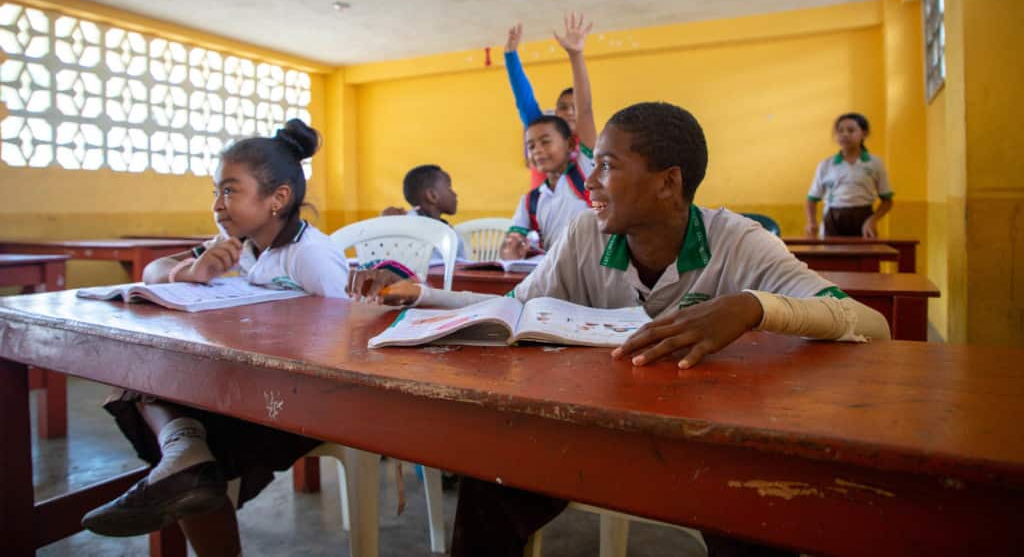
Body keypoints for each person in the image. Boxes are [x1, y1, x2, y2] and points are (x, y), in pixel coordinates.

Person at [362, 102, 890, 557]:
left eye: (607, 166)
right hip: (598, 434)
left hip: (703, 444)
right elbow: (515, 308)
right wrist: (421, 292)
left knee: (754, 516)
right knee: (490, 482)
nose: (589, 181)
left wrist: (752, 307)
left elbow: (871, 325)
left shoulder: (738, 242)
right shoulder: (585, 235)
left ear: (668, 182)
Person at [82, 119, 348, 556]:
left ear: (278, 197)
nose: (218, 204)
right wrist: (192, 270)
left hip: (299, 392)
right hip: (242, 379)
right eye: (215, 192)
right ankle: (184, 456)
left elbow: (342, 335)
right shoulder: (237, 243)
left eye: (230, 190)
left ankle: (184, 454)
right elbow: (152, 272)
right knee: (145, 372)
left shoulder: (310, 254)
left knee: (182, 421)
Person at [505, 12, 598, 188]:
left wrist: (576, 54)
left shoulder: (587, 146)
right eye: (563, 107)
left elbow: (585, 110)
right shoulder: (541, 131)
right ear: (555, 113)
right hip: (543, 209)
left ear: (570, 146)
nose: (570, 112)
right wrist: (511, 56)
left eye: (574, 107)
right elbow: (525, 101)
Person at [499, 114, 594, 259]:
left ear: (569, 145)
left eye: (545, 142)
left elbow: (585, 111)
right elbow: (511, 245)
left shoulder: (585, 174)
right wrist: (511, 248)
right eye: (531, 146)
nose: (537, 150)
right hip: (553, 274)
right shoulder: (531, 200)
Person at [805, 113, 894, 237]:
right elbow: (812, 199)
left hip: (863, 219)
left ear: (864, 133)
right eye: (840, 131)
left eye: (851, 130)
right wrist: (811, 222)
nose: (845, 134)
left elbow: (887, 201)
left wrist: (872, 220)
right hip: (833, 219)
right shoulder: (826, 165)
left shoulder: (875, 163)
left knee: (865, 255)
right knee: (832, 255)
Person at [381, 164, 468, 261]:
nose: (454, 194)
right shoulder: (403, 224)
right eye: (449, 188)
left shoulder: (450, 232)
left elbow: (462, 265)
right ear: (432, 195)